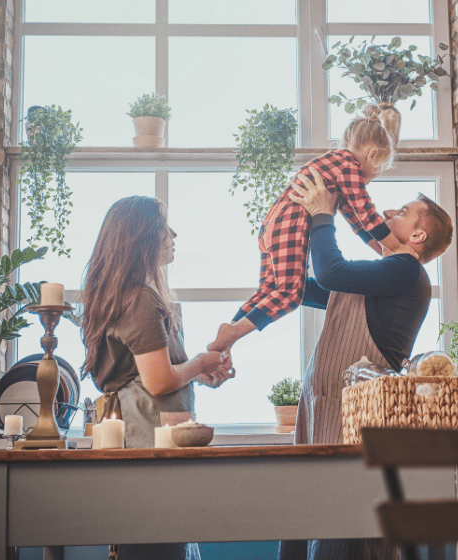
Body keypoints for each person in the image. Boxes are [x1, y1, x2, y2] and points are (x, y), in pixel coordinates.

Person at [277, 168, 454, 560]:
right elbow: (312, 289)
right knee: (314, 521)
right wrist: (284, 247)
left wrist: (324, 214)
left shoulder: (406, 270)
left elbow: (330, 271)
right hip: (324, 416)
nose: (390, 210)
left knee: (343, 534)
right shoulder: (383, 276)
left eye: (404, 210)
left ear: (417, 236)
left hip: (352, 423)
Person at [79, 196, 234, 560]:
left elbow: (151, 375)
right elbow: (159, 383)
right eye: (165, 227)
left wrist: (200, 374)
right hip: (149, 448)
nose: (174, 233)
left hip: (144, 439)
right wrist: (198, 363)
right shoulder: (141, 300)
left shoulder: (129, 297)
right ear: (142, 238)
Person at [208, 105, 405, 354]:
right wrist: (399, 247)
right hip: (291, 224)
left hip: (273, 226)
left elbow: (357, 222)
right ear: (372, 154)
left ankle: (228, 335)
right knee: (291, 295)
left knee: (270, 290)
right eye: (379, 168)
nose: (374, 176)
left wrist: (383, 250)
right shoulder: (348, 165)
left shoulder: (334, 166)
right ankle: (233, 332)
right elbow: (366, 213)